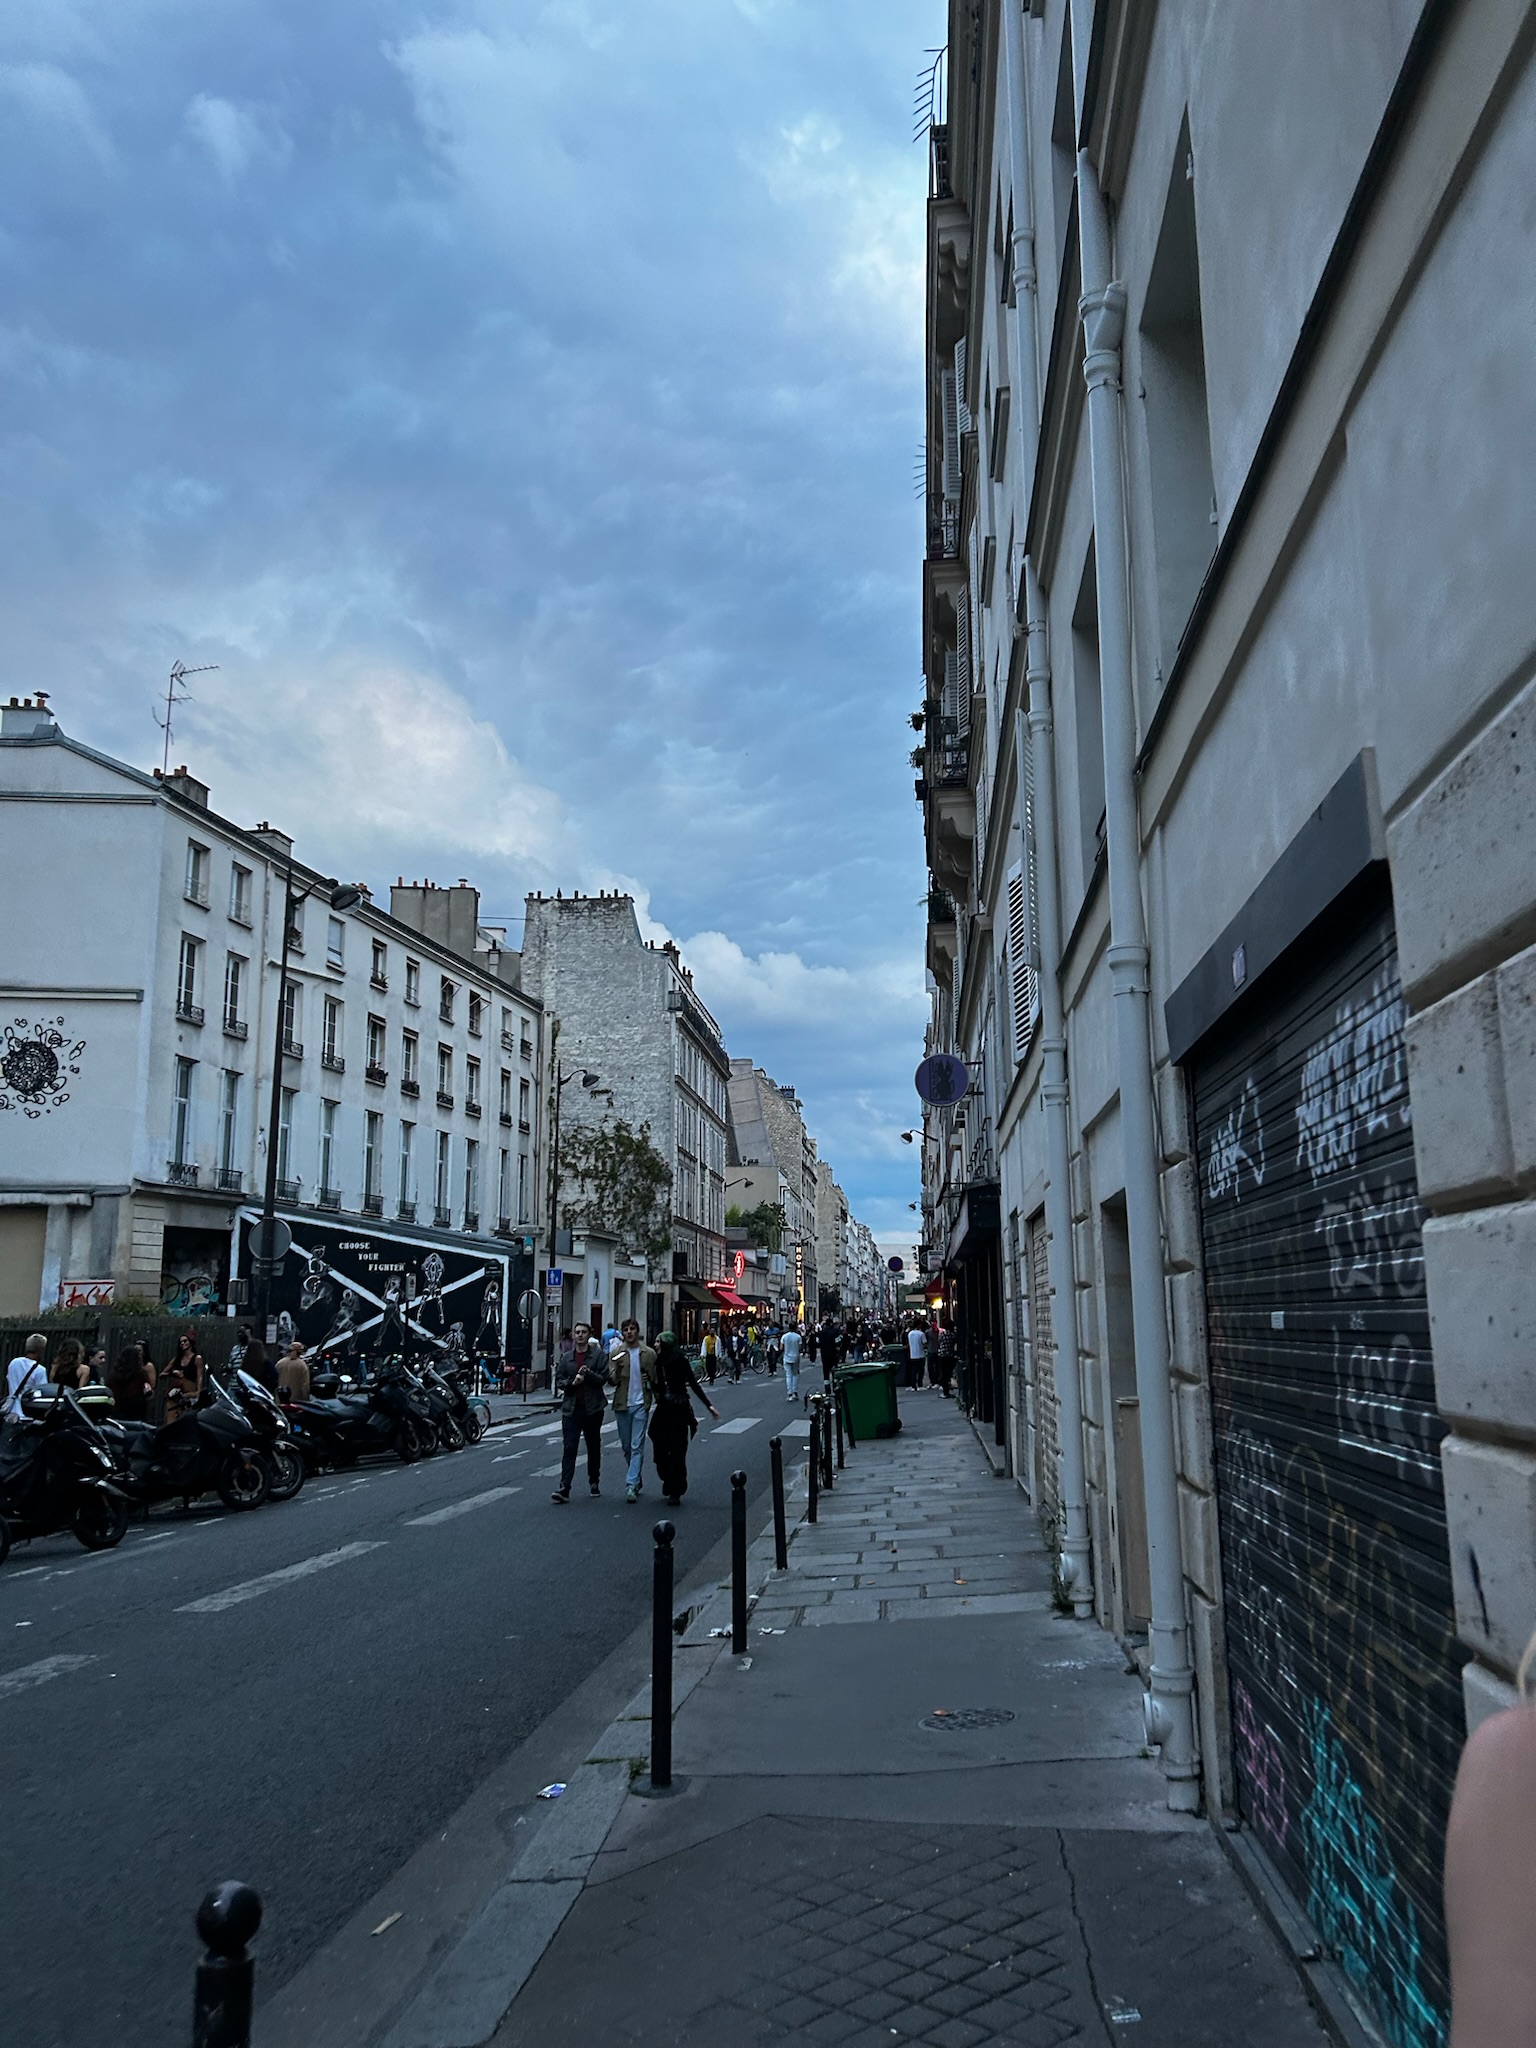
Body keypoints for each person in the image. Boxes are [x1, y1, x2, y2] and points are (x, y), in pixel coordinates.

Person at [646, 1331, 718, 1506]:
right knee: (657, 1439)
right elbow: (661, 1388)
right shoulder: (659, 1361)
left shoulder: (680, 1360)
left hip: (679, 1409)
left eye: (658, 1341)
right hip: (664, 1407)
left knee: (678, 1450)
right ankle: (667, 1477)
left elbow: (693, 1385)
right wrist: (649, 1381)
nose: (655, 1344)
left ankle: (676, 1489)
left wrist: (709, 1406)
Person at [552, 1322, 608, 1503]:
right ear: (574, 1336)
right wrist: (572, 1383)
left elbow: (603, 1379)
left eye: (583, 1332)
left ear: (589, 1334)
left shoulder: (598, 1356)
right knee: (569, 1447)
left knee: (593, 1446)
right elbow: (559, 1380)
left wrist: (588, 1374)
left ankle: (594, 1481)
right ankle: (564, 1487)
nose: (580, 1335)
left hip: (593, 1408)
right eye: (577, 1332)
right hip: (571, 1409)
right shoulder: (567, 1357)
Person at [608, 1317, 656, 1503]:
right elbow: (611, 1380)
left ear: (637, 1331)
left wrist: (650, 1385)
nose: (629, 1332)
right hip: (622, 1403)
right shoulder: (616, 1353)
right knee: (627, 1446)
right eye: (626, 1329)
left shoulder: (648, 1353)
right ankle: (636, 1477)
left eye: (632, 1329)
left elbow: (654, 1377)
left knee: (637, 1446)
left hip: (640, 1404)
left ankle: (631, 1484)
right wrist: (618, 1370)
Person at [3, 1333, 49, 1418]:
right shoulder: (40, 1370)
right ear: (41, 1350)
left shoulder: (14, 1363)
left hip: (11, 1412)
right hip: (27, 1415)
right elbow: (41, 1394)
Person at [107, 1343, 155, 1420]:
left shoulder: (114, 1373)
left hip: (117, 1407)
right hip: (136, 1408)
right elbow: (147, 1388)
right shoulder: (140, 1373)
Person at [163, 1329, 205, 1416]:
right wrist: (172, 1373)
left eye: (185, 1341)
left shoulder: (197, 1358)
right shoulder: (177, 1359)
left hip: (189, 1390)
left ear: (190, 1342)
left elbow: (200, 1377)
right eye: (180, 1342)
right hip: (175, 1392)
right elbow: (162, 1374)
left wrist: (198, 1393)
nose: (182, 1343)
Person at [781, 1322, 803, 1402]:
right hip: (796, 1357)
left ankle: (790, 1393)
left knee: (788, 1375)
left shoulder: (784, 1336)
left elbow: (781, 1347)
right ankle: (795, 1392)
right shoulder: (798, 1337)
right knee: (795, 1375)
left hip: (786, 1357)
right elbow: (800, 1348)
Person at [933, 1323, 954, 1398]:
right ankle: (947, 1388)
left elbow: (938, 1341)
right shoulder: (952, 1335)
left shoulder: (942, 1334)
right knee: (948, 1373)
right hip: (950, 1355)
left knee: (943, 1372)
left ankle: (945, 1391)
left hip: (942, 1355)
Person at [906, 1321, 928, 1390]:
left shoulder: (910, 1334)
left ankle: (913, 1385)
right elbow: (924, 1344)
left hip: (913, 1354)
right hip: (920, 1354)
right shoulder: (921, 1334)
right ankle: (920, 1385)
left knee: (914, 1371)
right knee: (920, 1371)